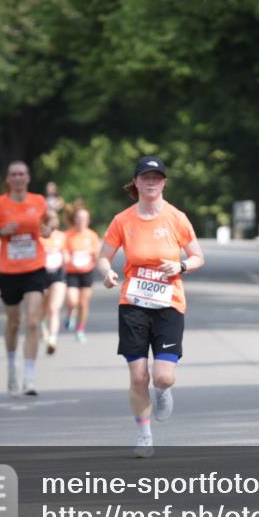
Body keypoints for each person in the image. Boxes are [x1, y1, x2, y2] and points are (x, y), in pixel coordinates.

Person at [97, 156, 204, 458]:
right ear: (136, 182)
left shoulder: (176, 217)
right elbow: (104, 255)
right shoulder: (123, 220)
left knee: (162, 376)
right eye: (146, 176)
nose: (152, 181)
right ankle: (144, 435)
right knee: (138, 375)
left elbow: (198, 256)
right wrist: (107, 272)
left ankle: (164, 390)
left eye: (157, 177)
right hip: (133, 302)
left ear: (164, 182)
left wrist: (181, 266)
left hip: (169, 303)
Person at [0, 161, 53, 397]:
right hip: (10, 271)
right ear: (8, 179)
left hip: (35, 268)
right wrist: (2, 231)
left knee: (32, 321)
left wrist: (48, 229)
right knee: (14, 323)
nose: (18, 178)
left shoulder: (38, 201)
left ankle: (29, 378)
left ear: (28, 178)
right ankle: (12, 365)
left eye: (22, 174)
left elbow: (52, 221)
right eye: (14, 174)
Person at [64, 206, 102, 343]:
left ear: (88, 220)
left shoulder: (92, 235)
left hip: (87, 271)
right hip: (71, 272)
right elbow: (64, 251)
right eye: (79, 218)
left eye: (84, 219)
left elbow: (98, 254)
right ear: (74, 219)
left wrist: (94, 256)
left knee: (83, 303)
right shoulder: (68, 235)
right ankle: (70, 313)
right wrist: (67, 257)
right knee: (72, 300)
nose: (81, 221)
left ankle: (80, 329)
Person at [39, 210, 68, 355]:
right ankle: (41, 324)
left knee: (53, 308)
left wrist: (67, 258)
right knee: (42, 308)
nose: (51, 222)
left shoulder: (62, 236)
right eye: (48, 219)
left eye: (54, 219)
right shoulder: (38, 237)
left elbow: (66, 253)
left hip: (58, 274)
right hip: (41, 275)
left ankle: (52, 339)